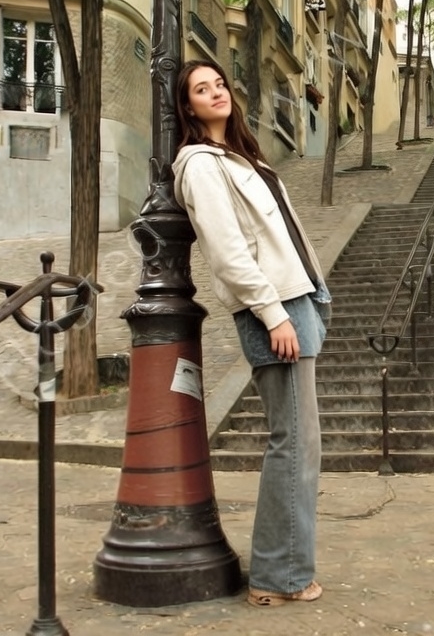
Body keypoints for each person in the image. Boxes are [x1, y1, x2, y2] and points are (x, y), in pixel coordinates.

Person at [172, 59, 331, 609]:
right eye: (200, 89)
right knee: (294, 444)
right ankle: (278, 576)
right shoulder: (198, 165)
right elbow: (227, 252)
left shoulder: (242, 155)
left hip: (297, 301)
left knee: (302, 443)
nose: (214, 92)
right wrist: (274, 313)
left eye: (218, 83)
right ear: (187, 106)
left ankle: (280, 568)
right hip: (276, 309)